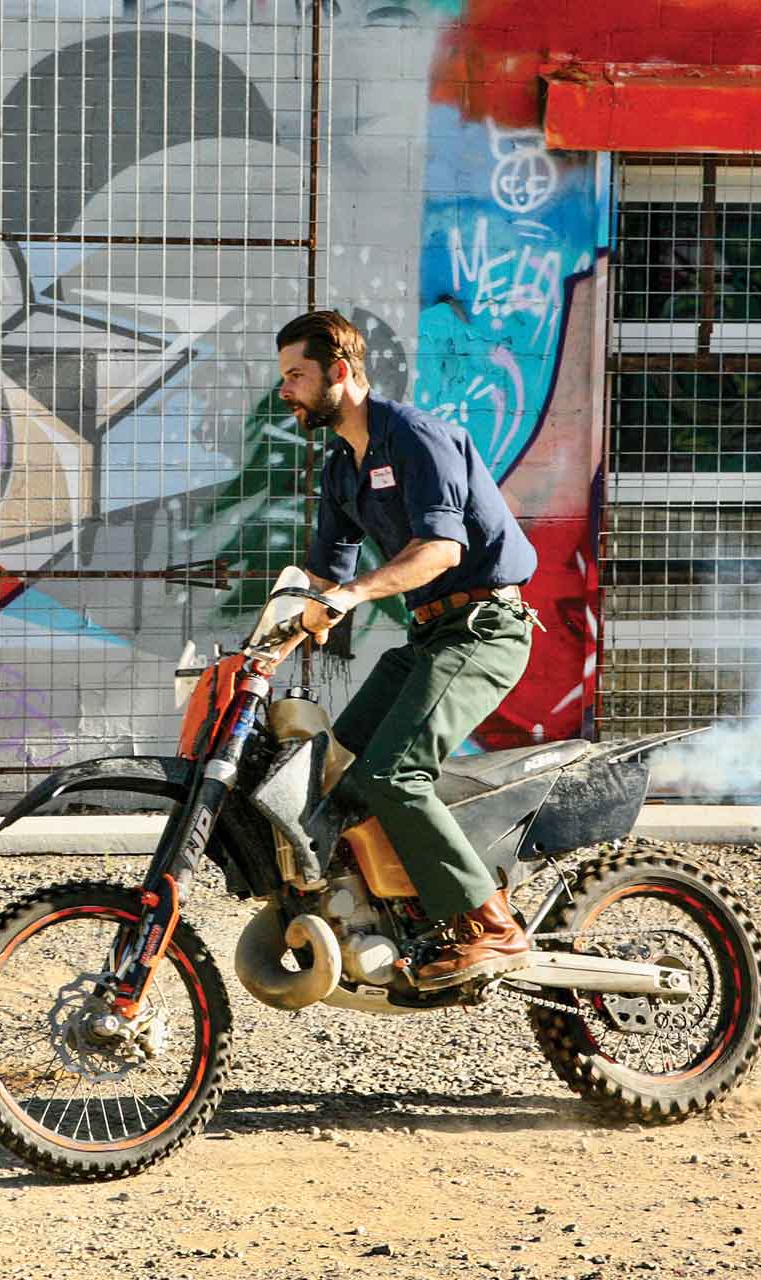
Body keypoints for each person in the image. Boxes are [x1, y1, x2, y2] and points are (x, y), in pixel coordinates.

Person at [276, 309, 540, 990]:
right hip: (430, 634)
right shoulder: (342, 468)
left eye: (296, 376)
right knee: (343, 775)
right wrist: (272, 639)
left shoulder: (418, 439)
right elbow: (323, 579)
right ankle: (404, 915)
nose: (286, 392)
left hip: (485, 629)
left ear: (340, 372)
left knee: (395, 773)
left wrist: (354, 596)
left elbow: (441, 549)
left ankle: (496, 928)